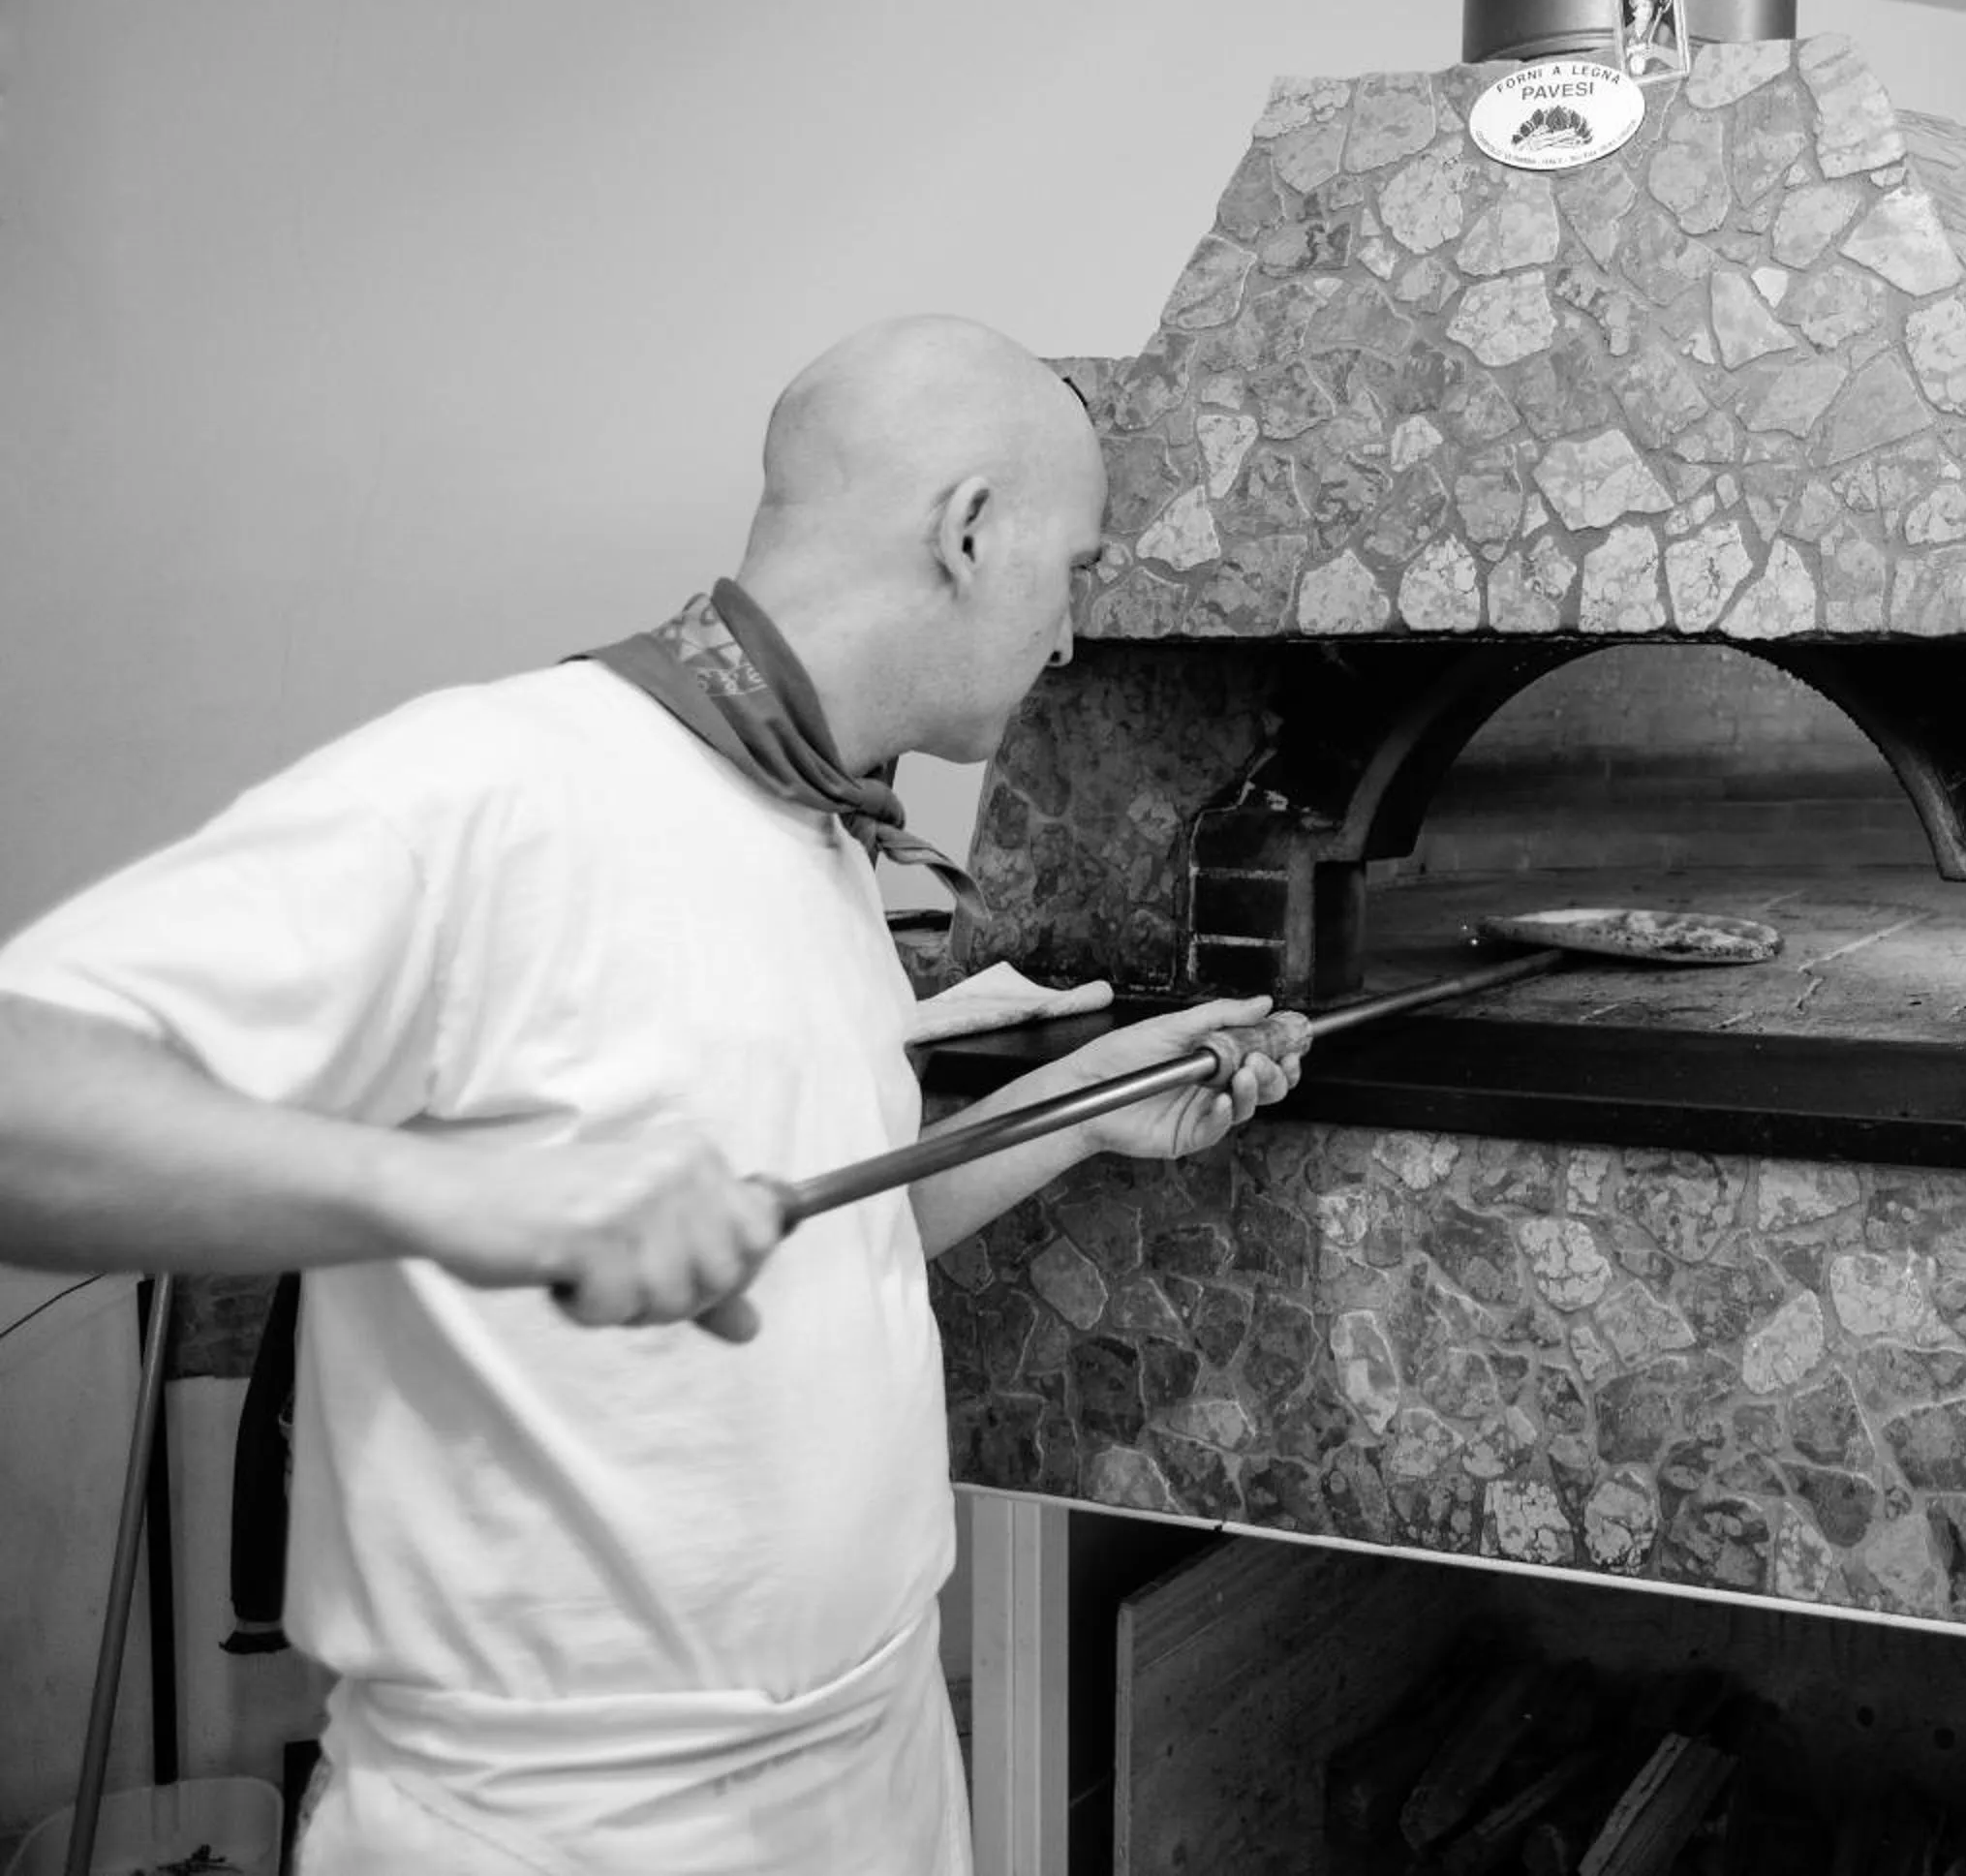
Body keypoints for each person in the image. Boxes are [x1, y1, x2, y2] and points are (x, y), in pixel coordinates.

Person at [0, 315, 1308, 1873]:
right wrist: (455, 1191)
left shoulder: (816, 842)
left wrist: (1085, 1105)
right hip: (564, 1826)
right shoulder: (502, 786)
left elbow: (820, 1241)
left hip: (871, 1768)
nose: (1072, 635)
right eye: (1073, 571)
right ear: (967, 531)